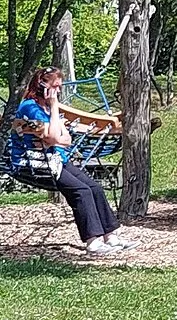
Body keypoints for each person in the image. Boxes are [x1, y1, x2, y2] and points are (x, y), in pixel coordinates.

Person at [7, 66, 135, 256]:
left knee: (94, 187)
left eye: (59, 87)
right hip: (35, 163)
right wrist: (54, 108)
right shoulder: (30, 107)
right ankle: (93, 242)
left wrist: (55, 124)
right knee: (80, 191)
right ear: (42, 86)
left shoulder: (46, 109)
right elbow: (52, 137)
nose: (58, 91)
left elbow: (66, 140)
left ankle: (111, 236)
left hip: (57, 159)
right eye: (55, 87)